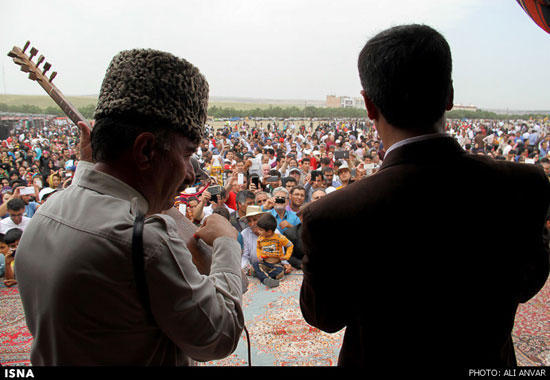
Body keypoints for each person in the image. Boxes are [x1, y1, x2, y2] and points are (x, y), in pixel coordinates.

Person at [299, 24, 550, 369]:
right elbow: (529, 281)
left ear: (369, 105)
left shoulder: (332, 214)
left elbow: (324, 317)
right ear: (449, 95)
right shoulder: (524, 184)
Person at [16, 49, 244, 365]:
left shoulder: (48, 211)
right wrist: (227, 242)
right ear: (146, 150)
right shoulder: (144, 241)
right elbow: (220, 336)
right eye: (187, 154)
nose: (190, 172)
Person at [253, 213, 294, 288]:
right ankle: (266, 278)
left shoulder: (279, 238)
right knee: (255, 265)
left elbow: (290, 245)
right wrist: (259, 255)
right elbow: (258, 248)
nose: (258, 231)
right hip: (265, 263)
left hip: (276, 264)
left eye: (261, 230)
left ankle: (263, 276)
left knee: (280, 271)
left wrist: (286, 256)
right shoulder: (260, 238)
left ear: (269, 232)